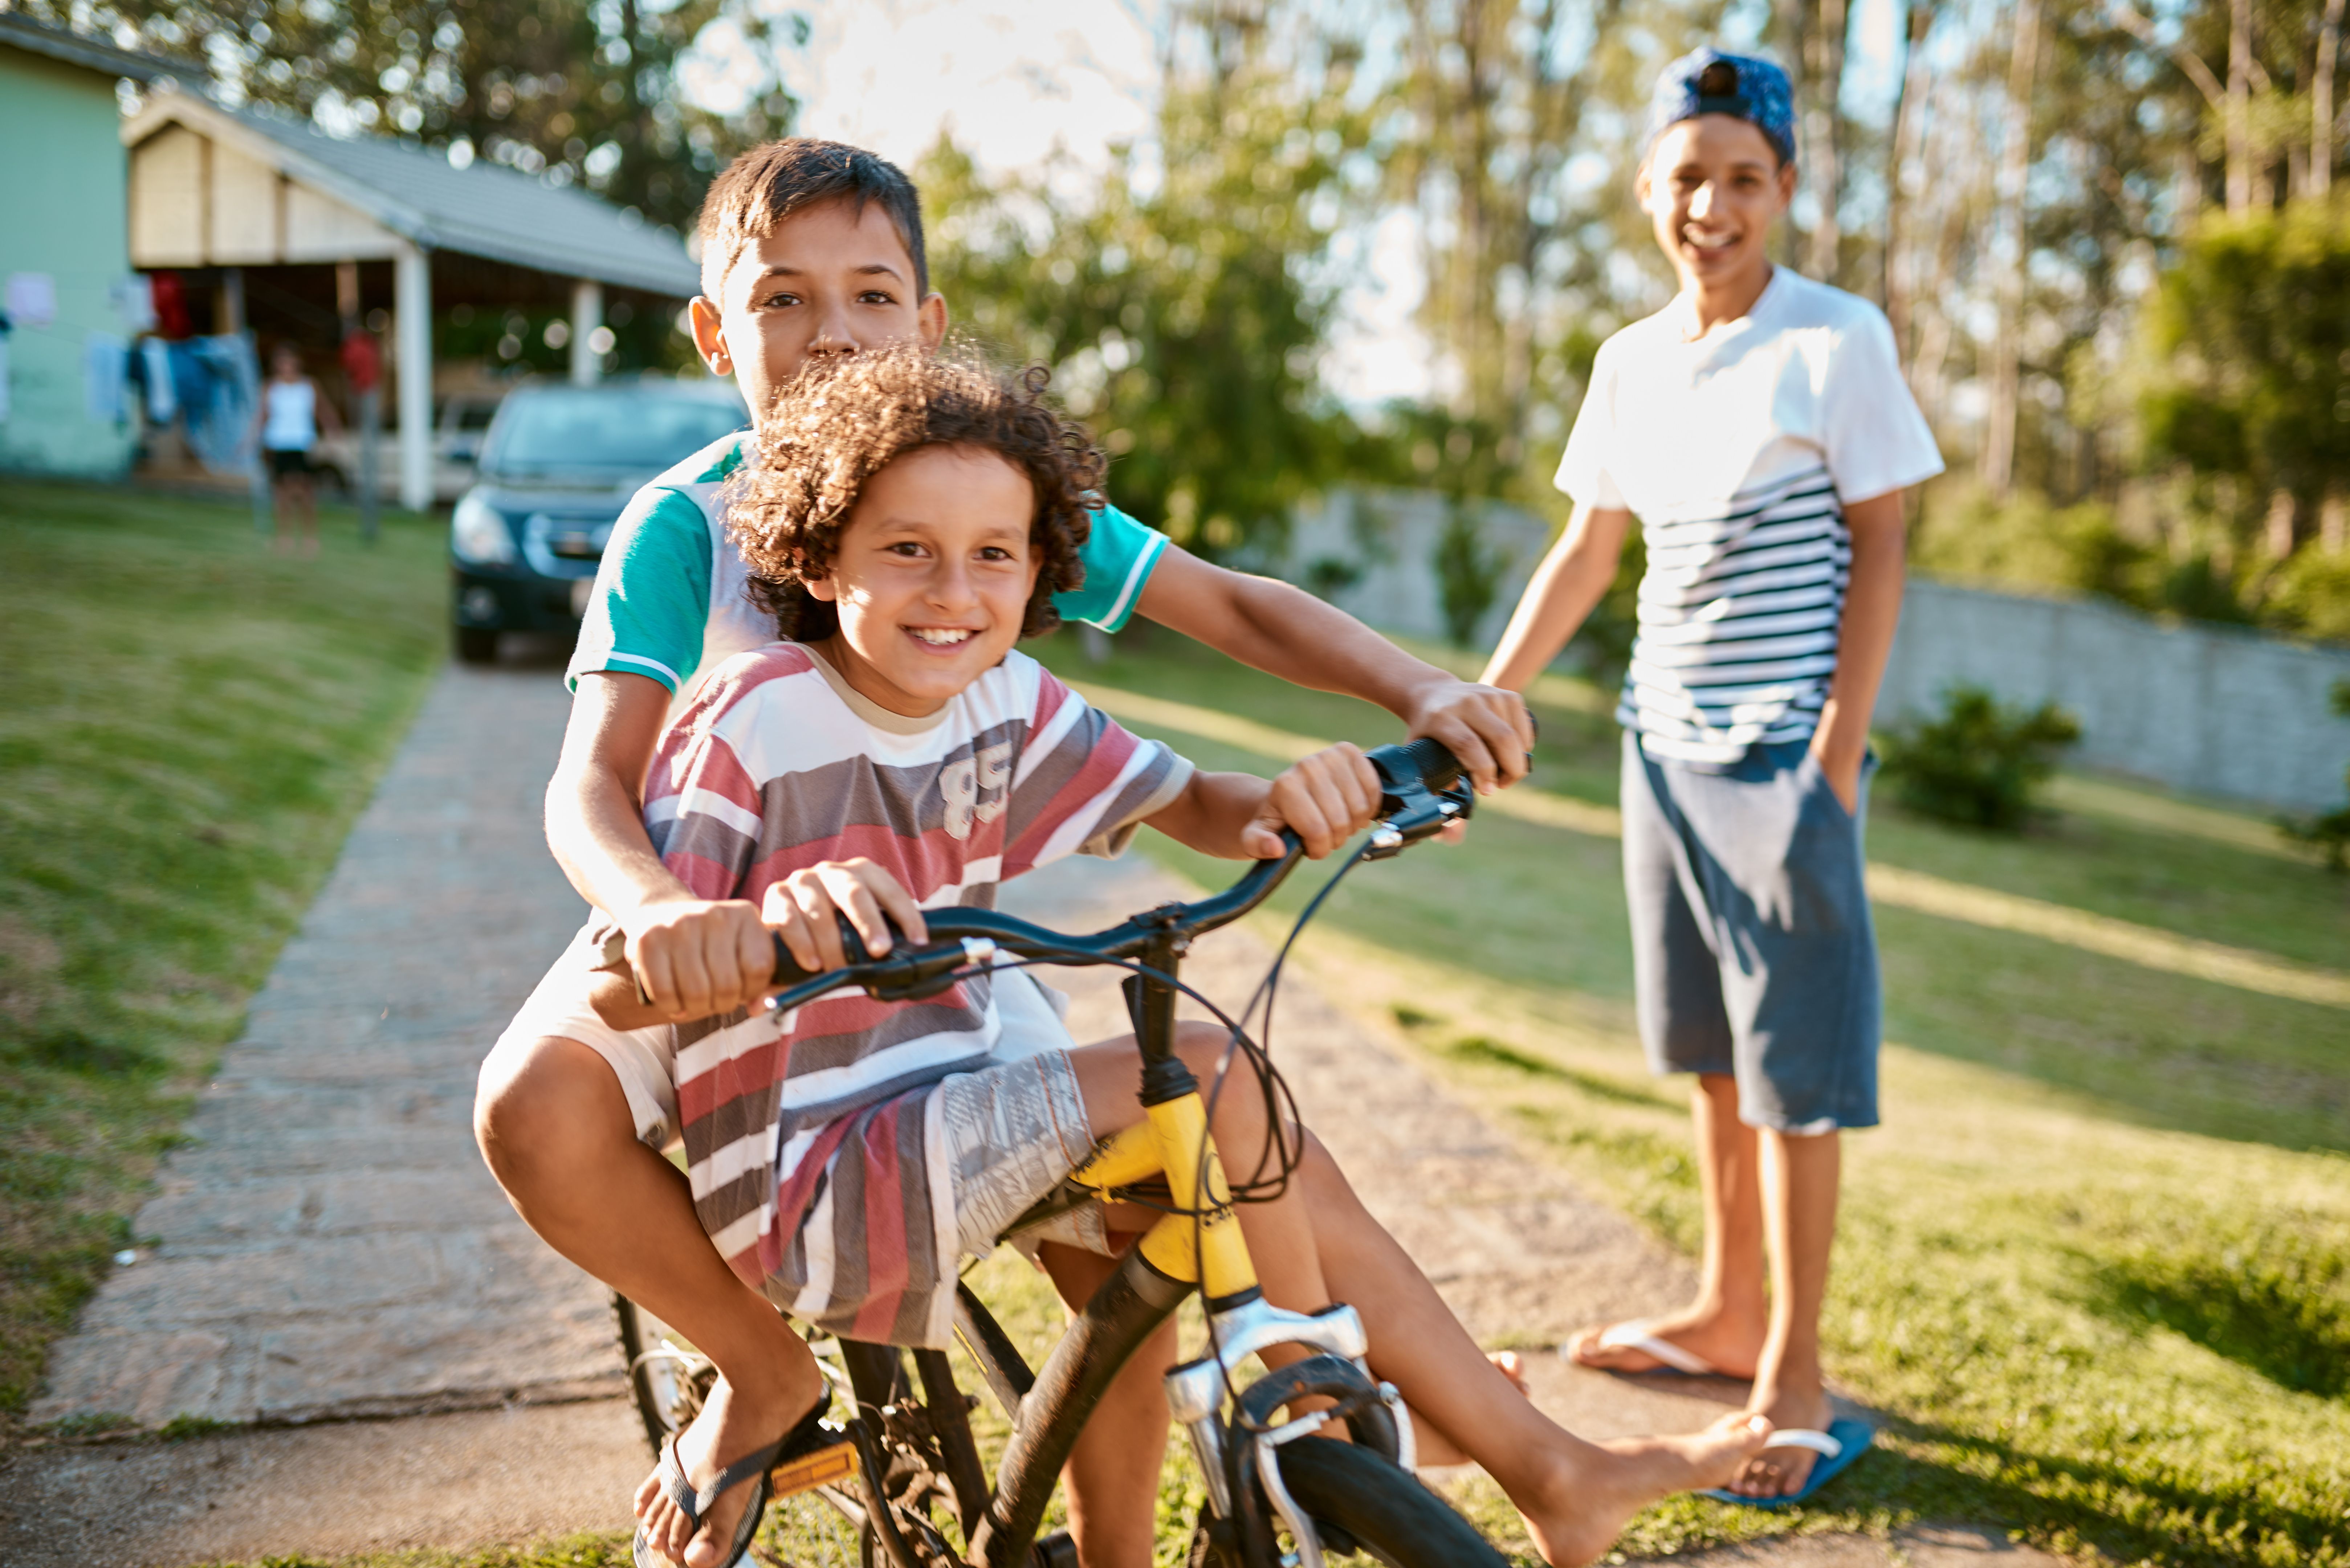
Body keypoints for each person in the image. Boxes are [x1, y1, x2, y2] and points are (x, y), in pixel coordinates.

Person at [481, 343, 1770, 1568]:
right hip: (818, 1175)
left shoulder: (1004, 698)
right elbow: (630, 973)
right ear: (820, 560)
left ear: (1039, 569)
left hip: (944, 1094)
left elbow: (1190, 800)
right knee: (1210, 1069)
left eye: (994, 555)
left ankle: (1284, 1429)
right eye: (908, 550)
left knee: (1171, 1184)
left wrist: (1296, 798)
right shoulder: (749, 718)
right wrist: (747, 928)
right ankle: (1316, 1402)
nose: (955, 592)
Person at [1477, 49, 1944, 1504]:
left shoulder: (1835, 340)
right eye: (1688, 176)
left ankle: (1792, 1373)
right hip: (1659, 749)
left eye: (1744, 178)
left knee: (1795, 1076)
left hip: (1781, 758)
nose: (1713, 205)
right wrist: (1484, 696)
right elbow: (1588, 550)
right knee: (1707, 1056)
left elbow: (1882, 544)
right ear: (1647, 189)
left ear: (1784, 190)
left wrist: (1833, 758)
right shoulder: (1630, 361)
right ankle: (1728, 1308)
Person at [254, 343, 340, 556]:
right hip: (278, 442)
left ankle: (311, 539)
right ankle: (284, 538)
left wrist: (333, 431)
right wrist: (252, 439)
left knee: (305, 491)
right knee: (281, 492)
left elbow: (324, 411)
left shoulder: (309, 386)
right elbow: (262, 416)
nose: (286, 366)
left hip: (302, 442)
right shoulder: (270, 387)